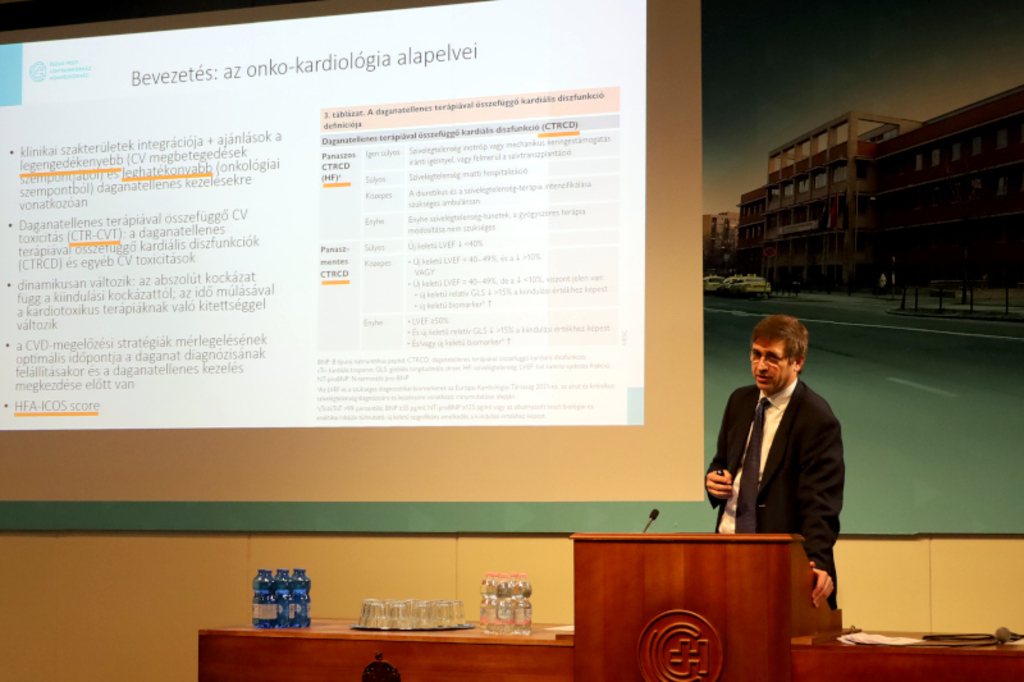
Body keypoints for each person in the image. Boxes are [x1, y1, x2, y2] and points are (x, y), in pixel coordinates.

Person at [705, 315, 844, 609]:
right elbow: (722, 463)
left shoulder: (816, 418)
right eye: (756, 354)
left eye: (772, 358)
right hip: (726, 552)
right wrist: (714, 479)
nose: (761, 366)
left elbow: (821, 504)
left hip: (777, 562)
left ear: (797, 362)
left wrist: (816, 562)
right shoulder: (739, 401)